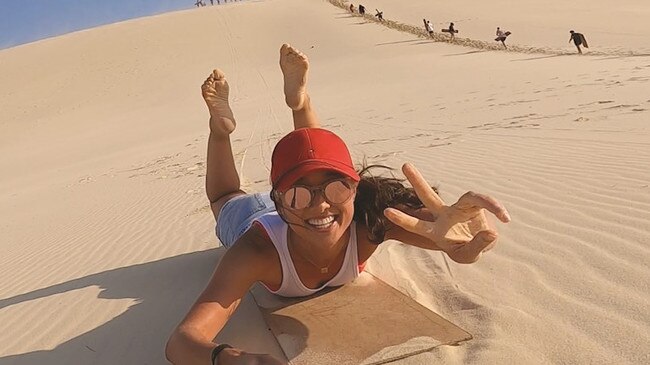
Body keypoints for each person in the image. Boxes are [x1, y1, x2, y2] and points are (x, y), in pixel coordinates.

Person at [165, 44, 511, 365]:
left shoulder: (371, 223)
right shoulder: (255, 251)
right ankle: (221, 129)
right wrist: (234, 360)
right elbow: (182, 341)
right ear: (280, 202)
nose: (320, 206)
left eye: (337, 189)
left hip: (294, 214)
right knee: (224, 197)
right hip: (250, 218)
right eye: (300, 195)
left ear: (356, 190)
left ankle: (300, 104)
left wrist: (459, 248)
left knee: (313, 160)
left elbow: (442, 234)